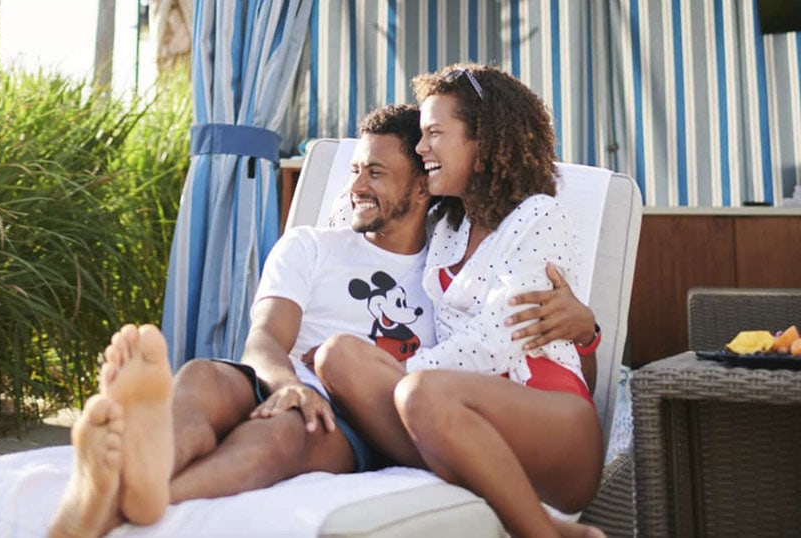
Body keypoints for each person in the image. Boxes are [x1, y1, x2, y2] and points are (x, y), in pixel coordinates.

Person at [48, 104, 597, 538]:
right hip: (282, 378)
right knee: (201, 379)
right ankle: (137, 464)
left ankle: (132, 500)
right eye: (356, 169)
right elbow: (264, 339)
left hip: (361, 415)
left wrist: (584, 327)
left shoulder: (447, 269)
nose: (357, 185)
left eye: (376, 173)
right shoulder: (310, 245)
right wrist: (287, 385)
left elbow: (509, 347)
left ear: (424, 186)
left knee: (278, 440)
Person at [313, 64, 604, 538]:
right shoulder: (446, 225)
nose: (421, 148)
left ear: (483, 141)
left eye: (433, 134)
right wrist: (381, 171)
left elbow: (502, 339)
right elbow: (357, 212)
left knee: (421, 391)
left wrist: (404, 382)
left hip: (550, 414)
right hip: (454, 412)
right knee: (340, 356)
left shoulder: (538, 215)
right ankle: (513, 500)